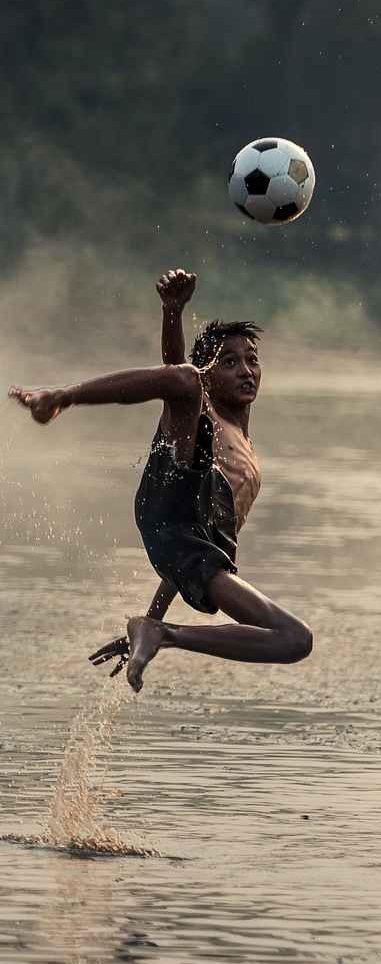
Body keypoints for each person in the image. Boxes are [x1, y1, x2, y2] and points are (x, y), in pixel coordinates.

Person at [9, 268, 313, 691]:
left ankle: (160, 633)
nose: (246, 370)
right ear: (211, 374)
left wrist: (153, 617)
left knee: (295, 640)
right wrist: (173, 313)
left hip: (187, 539)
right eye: (229, 362)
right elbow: (176, 372)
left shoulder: (245, 453)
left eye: (251, 360)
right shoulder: (202, 413)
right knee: (182, 382)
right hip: (168, 495)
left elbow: (185, 556)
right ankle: (58, 397)